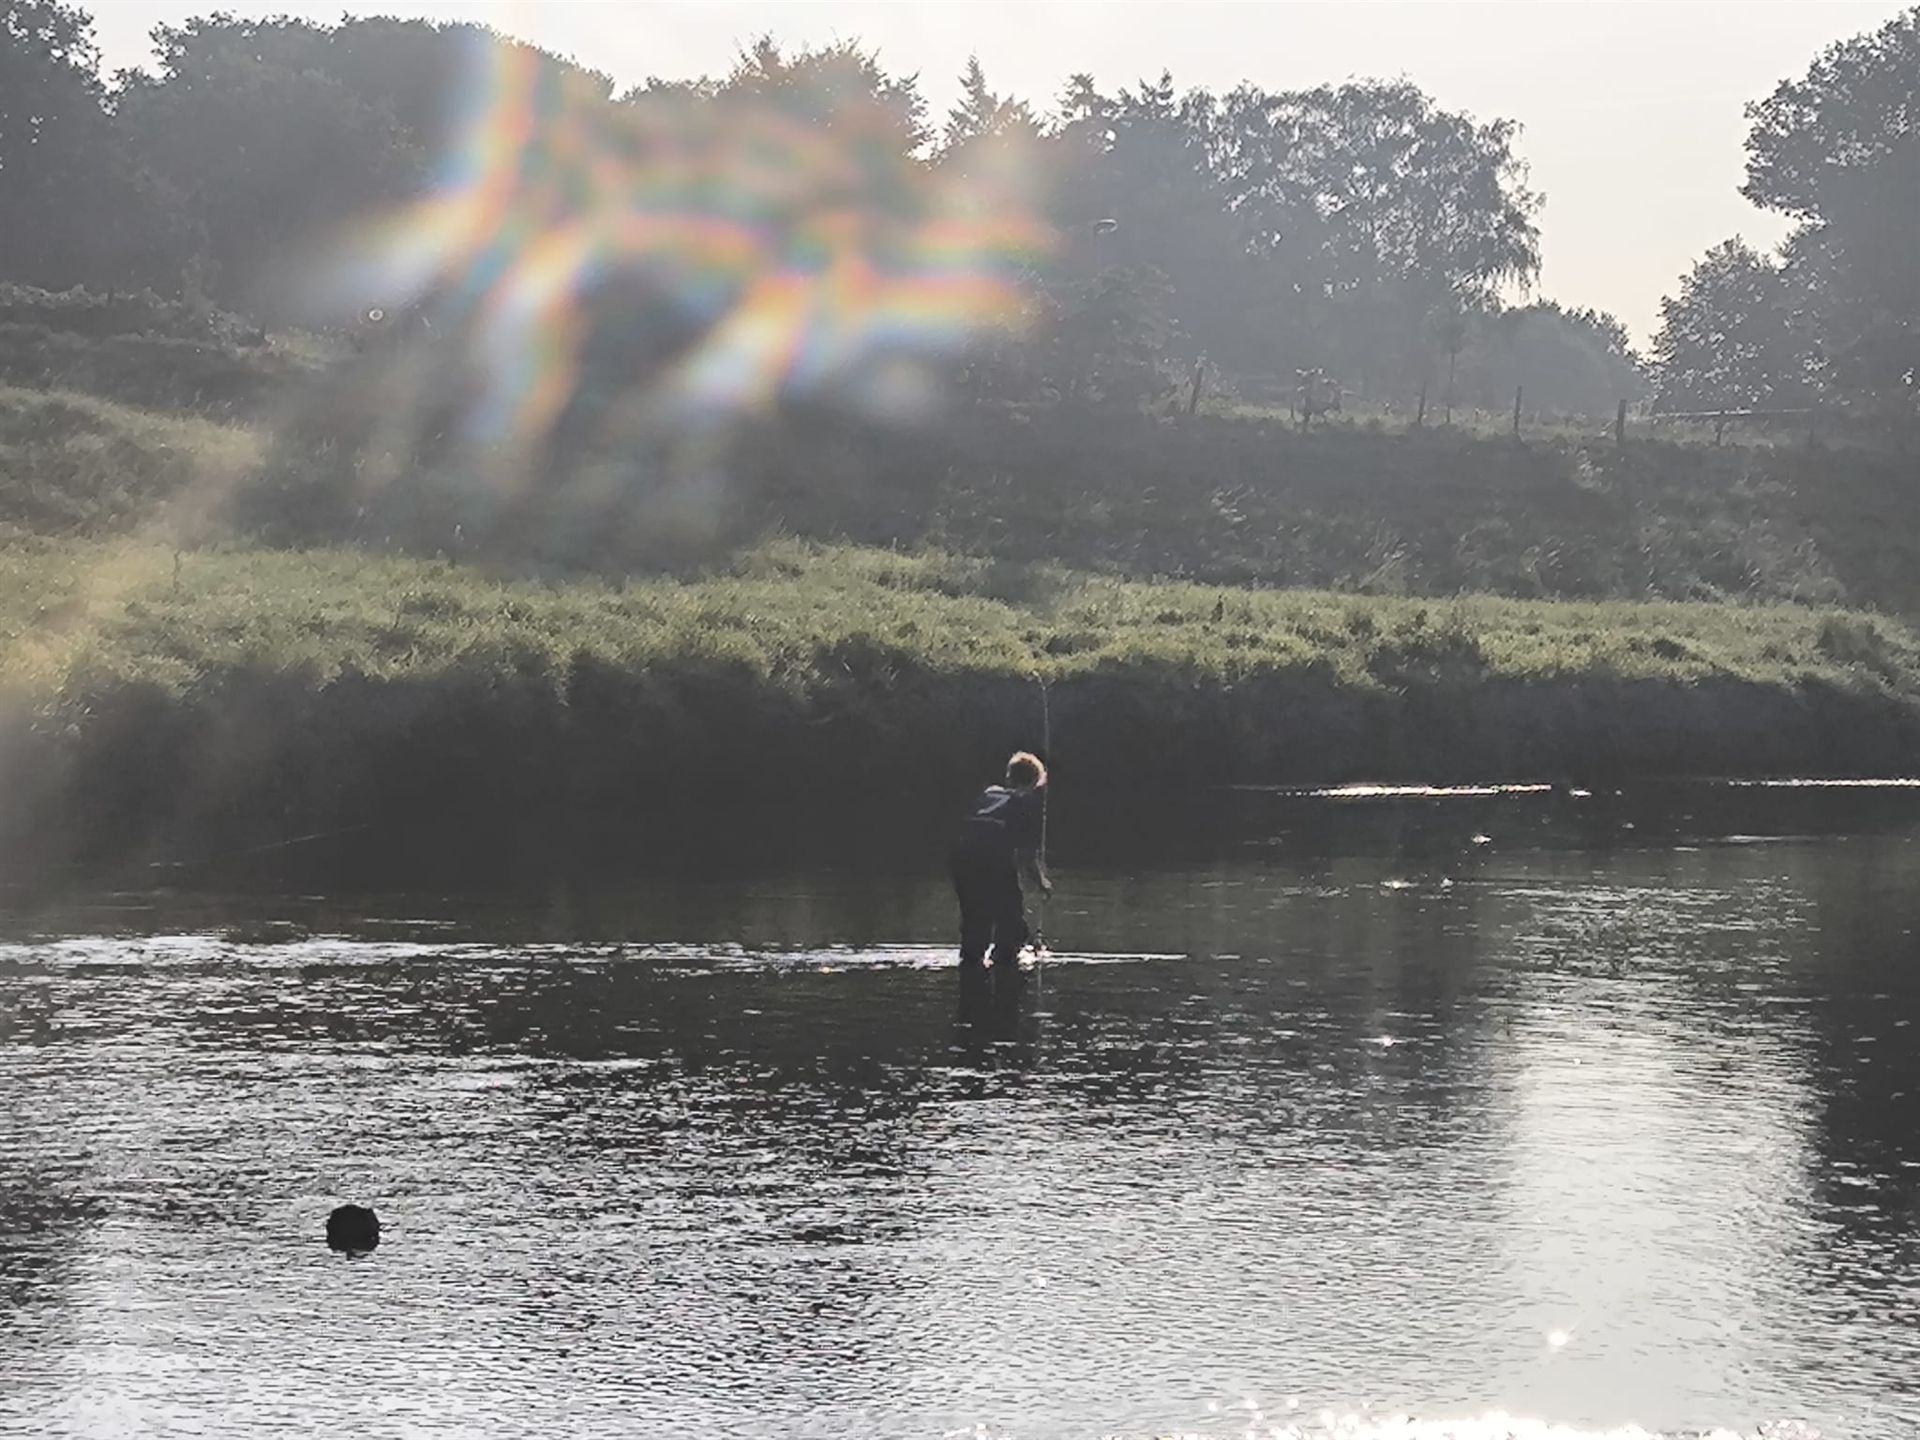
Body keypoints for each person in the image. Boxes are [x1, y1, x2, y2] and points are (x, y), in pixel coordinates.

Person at [949, 751, 1051, 994]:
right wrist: (1041, 883)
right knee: (1012, 929)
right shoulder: (1025, 803)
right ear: (1034, 782)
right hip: (992, 861)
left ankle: (972, 986)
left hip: (962, 861)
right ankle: (1005, 989)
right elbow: (1027, 856)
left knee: (975, 926)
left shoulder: (989, 794)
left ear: (1008, 776)